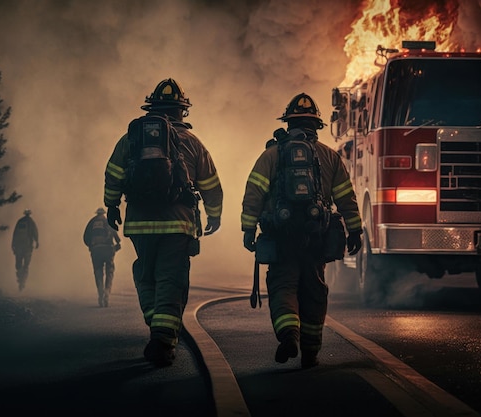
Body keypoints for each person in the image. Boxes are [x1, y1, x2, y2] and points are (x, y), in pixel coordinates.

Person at [104, 78, 223, 367]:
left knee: (146, 275)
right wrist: (214, 213)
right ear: (182, 111)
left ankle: (156, 324)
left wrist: (111, 205)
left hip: (139, 224)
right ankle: (161, 337)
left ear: (152, 108)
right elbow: (210, 183)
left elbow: (113, 174)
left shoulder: (131, 138)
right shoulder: (192, 142)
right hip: (177, 224)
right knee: (171, 278)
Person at [241, 93, 362, 369]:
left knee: (284, 287)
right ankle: (310, 352)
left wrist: (248, 228)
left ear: (287, 123)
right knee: (314, 290)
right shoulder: (330, 157)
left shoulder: (272, 155)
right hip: (316, 237)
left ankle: (289, 335)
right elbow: (346, 198)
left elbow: (254, 193)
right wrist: (355, 229)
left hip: (281, 236)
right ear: (317, 125)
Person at [83, 207, 121, 307]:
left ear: (97, 213)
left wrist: (91, 246)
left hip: (96, 250)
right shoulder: (107, 221)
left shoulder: (92, 222)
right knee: (109, 271)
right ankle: (107, 292)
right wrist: (117, 244)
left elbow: (85, 237)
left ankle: (100, 290)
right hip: (108, 250)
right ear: (104, 213)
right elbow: (117, 238)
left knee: (98, 270)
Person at [12, 209, 39, 291]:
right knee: (26, 265)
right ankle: (22, 282)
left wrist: (13, 245)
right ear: (29, 214)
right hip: (27, 246)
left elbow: (15, 234)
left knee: (19, 264)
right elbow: (35, 232)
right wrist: (37, 242)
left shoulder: (20, 221)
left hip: (19, 246)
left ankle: (20, 280)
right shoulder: (31, 222)